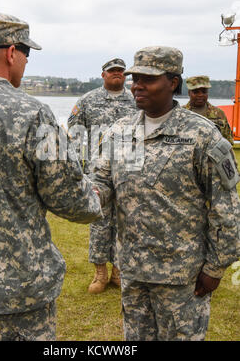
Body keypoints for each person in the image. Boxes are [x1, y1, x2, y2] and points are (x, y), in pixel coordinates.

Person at [0, 12, 102, 341]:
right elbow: (70, 198)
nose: (26, 62)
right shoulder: (33, 114)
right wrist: (94, 198)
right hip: (17, 289)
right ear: (12, 53)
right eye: (27, 54)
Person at [91, 46, 240, 340]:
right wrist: (81, 195)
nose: (137, 86)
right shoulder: (120, 131)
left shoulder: (202, 134)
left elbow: (226, 206)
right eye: (135, 78)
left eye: (148, 79)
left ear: (173, 82)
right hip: (132, 270)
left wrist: (215, 266)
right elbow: (102, 181)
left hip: (182, 275)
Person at [68, 58, 136, 294]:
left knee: (125, 221)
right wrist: (77, 166)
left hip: (129, 170)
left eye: (120, 71)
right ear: (103, 75)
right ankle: (100, 274)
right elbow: (75, 134)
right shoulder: (89, 100)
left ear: (125, 76)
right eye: (112, 71)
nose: (117, 74)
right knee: (99, 221)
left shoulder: (136, 99)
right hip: (97, 172)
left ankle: (118, 271)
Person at [183, 75, 234, 144]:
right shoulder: (180, 114)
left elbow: (228, 141)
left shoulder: (219, 114)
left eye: (204, 92)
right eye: (196, 92)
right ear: (189, 93)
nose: (200, 95)